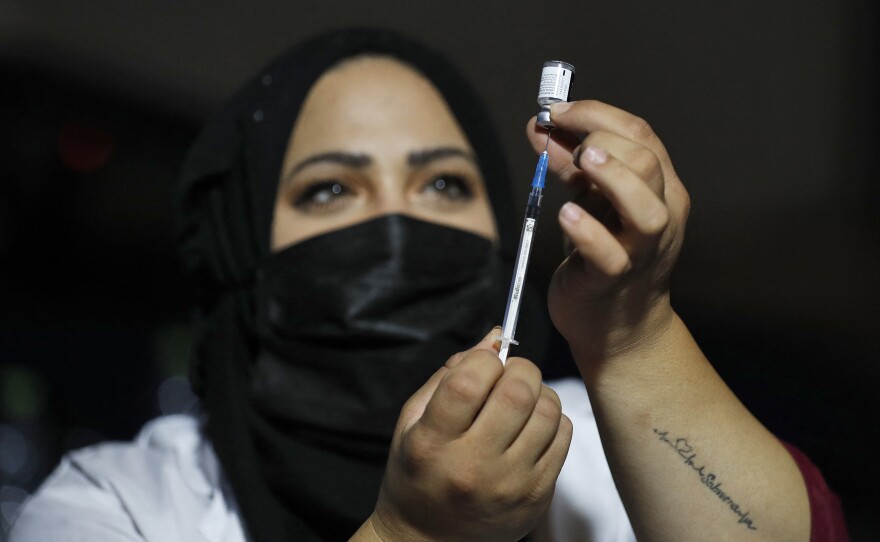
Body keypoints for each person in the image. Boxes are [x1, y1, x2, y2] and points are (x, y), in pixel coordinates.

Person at [8, 27, 848, 542]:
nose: (397, 224)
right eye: (331, 190)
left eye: (444, 184)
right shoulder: (120, 507)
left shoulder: (594, 446)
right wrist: (413, 537)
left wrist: (633, 337)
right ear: (246, 254)